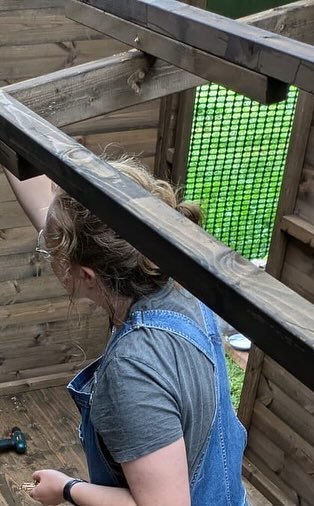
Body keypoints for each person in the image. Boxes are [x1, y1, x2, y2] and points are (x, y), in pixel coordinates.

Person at [15, 157, 247, 505]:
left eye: (53, 254)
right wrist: (4, 148)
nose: (50, 257)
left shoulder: (132, 370)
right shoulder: (181, 282)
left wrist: (67, 488)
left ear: (87, 276)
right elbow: (68, 230)